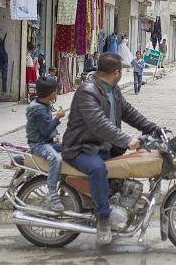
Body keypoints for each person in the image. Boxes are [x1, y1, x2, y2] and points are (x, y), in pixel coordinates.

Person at [61, 53, 159, 244]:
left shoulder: (112, 89)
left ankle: (117, 203)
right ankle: (103, 219)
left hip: (101, 145)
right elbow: (98, 123)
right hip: (81, 148)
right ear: (116, 73)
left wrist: (153, 128)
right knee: (98, 169)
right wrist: (127, 139)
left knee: (125, 164)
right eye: (121, 70)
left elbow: (128, 112)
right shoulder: (87, 91)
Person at [26, 77, 66, 212]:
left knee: (72, 146)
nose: (56, 94)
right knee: (56, 159)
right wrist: (57, 118)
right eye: (55, 91)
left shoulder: (44, 105)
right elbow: (45, 130)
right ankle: (52, 194)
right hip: (38, 145)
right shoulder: (38, 111)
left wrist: (57, 134)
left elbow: (49, 128)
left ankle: (66, 186)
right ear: (51, 93)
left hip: (48, 142)